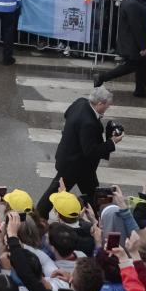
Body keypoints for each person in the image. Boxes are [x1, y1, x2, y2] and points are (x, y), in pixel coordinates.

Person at [35, 87, 122, 216]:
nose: (106, 109)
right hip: (75, 166)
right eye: (106, 106)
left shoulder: (80, 102)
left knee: (92, 194)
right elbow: (90, 151)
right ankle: (38, 216)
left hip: (76, 161)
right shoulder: (88, 123)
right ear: (99, 104)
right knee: (53, 196)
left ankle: (98, 218)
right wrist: (112, 142)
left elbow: (67, 114)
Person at [94, 0, 146, 98]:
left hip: (137, 40)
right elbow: (135, 26)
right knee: (131, 66)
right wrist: (142, 46)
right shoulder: (131, 3)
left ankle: (140, 90)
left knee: (143, 66)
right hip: (134, 42)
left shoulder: (134, 0)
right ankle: (102, 77)